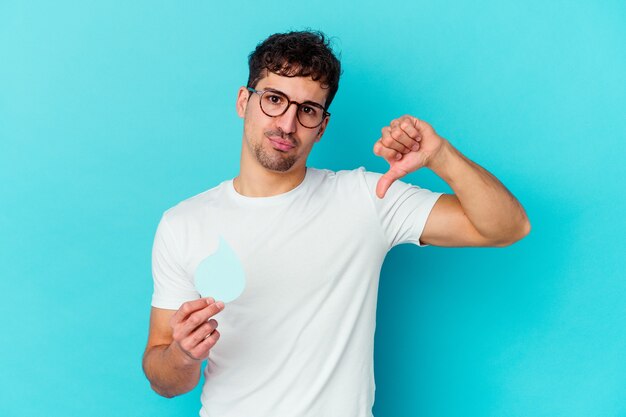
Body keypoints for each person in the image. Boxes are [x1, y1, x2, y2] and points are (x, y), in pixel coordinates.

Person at [142, 30, 530, 417]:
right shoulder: (183, 224)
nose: (288, 124)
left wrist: (441, 156)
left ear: (322, 126)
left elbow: (507, 227)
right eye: (274, 100)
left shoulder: (366, 199)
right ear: (244, 101)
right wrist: (183, 354)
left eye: (307, 110)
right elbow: (164, 380)